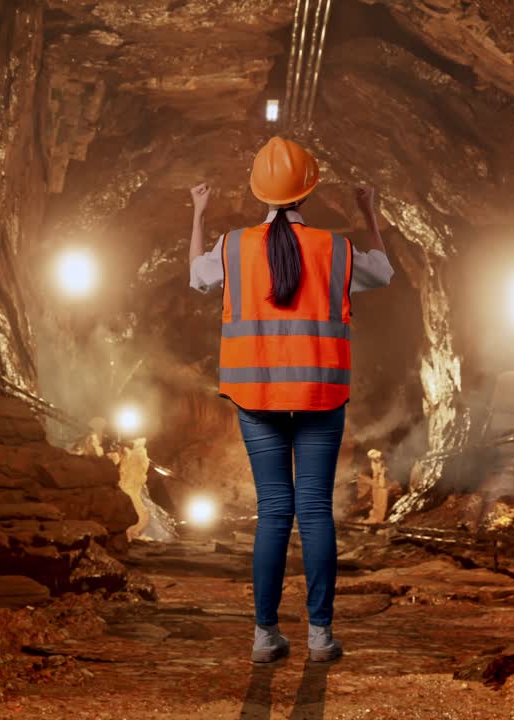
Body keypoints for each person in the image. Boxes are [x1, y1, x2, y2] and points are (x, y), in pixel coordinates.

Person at [188, 137, 394, 663]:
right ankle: (320, 637)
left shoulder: (233, 246)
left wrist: (198, 214)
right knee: (315, 512)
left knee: (274, 512)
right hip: (321, 395)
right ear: (309, 191)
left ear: (259, 192)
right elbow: (383, 271)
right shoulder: (337, 249)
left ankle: (264, 636)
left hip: (255, 396)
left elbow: (197, 277)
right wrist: (370, 214)